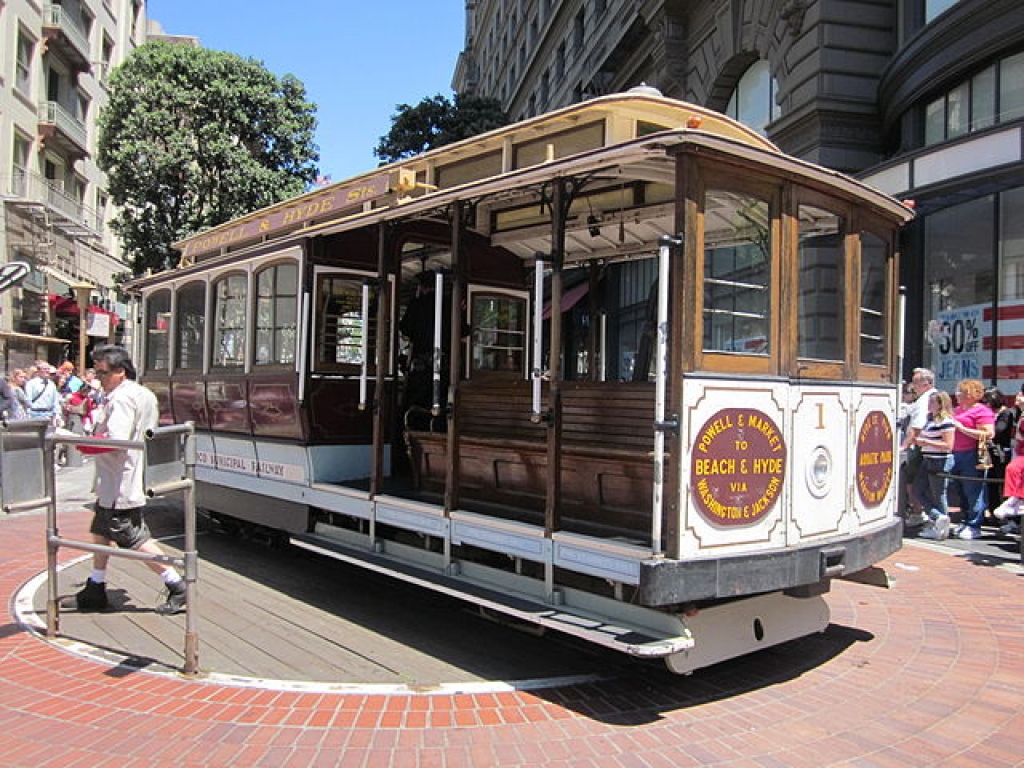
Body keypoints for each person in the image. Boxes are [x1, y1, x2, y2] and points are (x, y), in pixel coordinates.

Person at [70, 344, 187, 615]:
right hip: (119, 478)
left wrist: (82, 443)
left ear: (120, 372)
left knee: (131, 536)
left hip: (120, 480)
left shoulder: (121, 398)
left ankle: (176, 584)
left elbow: (116, 439)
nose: (99, 379)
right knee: (101, 530)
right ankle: (95, 585)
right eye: (97, 373)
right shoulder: (141, 393)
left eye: (102, 373)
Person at [949, 378, 996, 539]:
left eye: (961, 392)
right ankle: (965, 519)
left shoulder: (982, 411)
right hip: (955, 453)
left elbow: (988, 433)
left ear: (970, 394)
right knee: (959, 489)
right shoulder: (957, 410)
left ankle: (974, 524)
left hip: (972, 454)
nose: (957, 395)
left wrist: (962, 428)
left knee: (973, 491)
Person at [913, 391, 956, 540]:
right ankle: (938, 517)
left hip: (940, 460)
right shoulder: (930, 420)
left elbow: (948, 445)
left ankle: (941, 526)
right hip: (927, 459)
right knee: (917, 490)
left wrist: (926, 442)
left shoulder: (946, 421)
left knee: (939, 494)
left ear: (940, 404)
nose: (929, 405)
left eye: (932, 402)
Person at [899, 368, 937, 526]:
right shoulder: (925, 398)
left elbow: (917, 427)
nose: (913, 386)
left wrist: (904, 446)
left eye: (916, 382)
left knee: (913, 483)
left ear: (926, 384)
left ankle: (919, 513)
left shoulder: (926, 400)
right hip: (923, 446)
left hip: (919, 447)